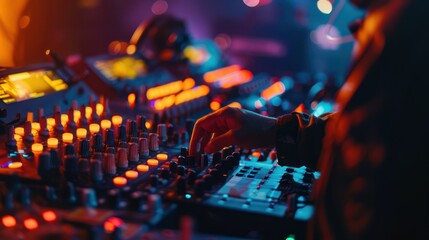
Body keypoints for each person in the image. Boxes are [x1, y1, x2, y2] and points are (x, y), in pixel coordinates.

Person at [189, 0, 429, 239]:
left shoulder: (404, 25)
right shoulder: (394, 19)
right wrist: (280, 131)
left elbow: (376, 189)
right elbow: (381, 135)